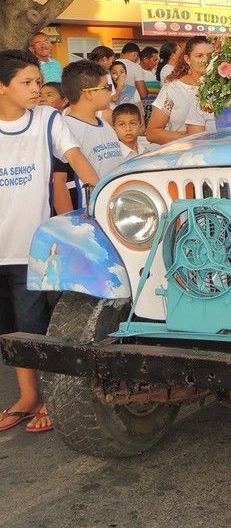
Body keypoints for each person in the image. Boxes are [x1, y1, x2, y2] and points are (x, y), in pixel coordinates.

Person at [0, 50, 97, 434]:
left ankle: (54, 400)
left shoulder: (47, 120)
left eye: (38, 82)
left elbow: (76, 158)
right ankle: (28, 397)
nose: (36, 90)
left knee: (36, 328)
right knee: (11, 332)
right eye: (26, 82)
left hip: (31, 249)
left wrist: (99, 188)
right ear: (2, 86)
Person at [62, 60, 126, 203]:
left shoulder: (106, 125)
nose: (111, 91)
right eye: (107, 87)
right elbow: (60, 182)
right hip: (88, 210)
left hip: (113, 207)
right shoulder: (66, 128)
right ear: (89, 94)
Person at [146, 36, 213, 144]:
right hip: (184, 155)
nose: (205, 60)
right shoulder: (173, 88)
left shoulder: (225, 88)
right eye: (199, 56)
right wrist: (190, 137)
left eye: (210, 56)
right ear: (187, 59)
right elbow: (152, 133)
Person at [37, 82, 75, 214]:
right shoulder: (37, 130)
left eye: (49, 95)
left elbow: (58, 181)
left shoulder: (63, 129)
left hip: (66, 199)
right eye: (40, 94)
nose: (42, 98)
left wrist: (67, 220)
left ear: (64, 101)